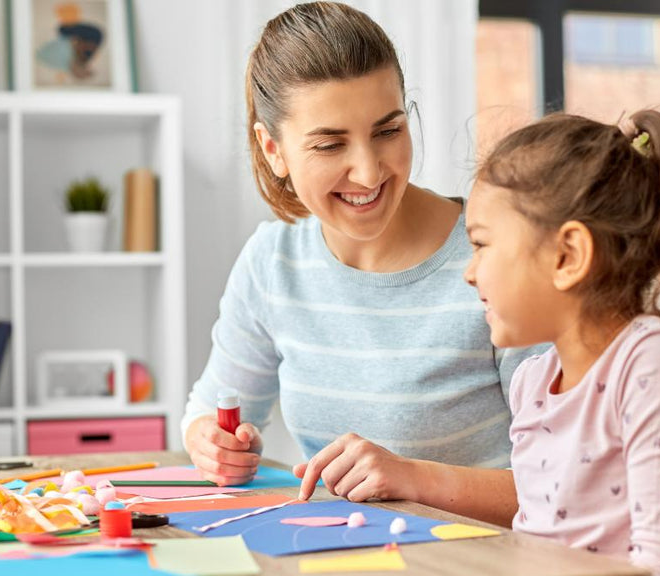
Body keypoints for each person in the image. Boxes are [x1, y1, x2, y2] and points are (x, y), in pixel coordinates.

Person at [181, 2, 541, 526]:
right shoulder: (273, 262)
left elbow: (569, 486)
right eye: (330, 143)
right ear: (273, 149)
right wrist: (211, 442)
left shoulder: (493, 257)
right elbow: (209, 410)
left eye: (388, 131)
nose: (369, 172)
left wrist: (414, 478)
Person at [463, 110, 660, 575]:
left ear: (569, 255)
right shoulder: (533, 382)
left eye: (481, 245)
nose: (469, 272)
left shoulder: (654, 365)